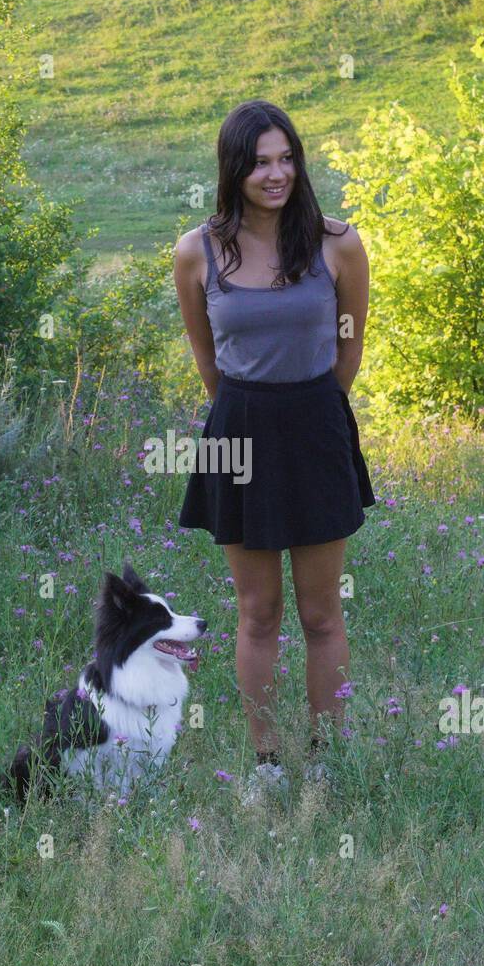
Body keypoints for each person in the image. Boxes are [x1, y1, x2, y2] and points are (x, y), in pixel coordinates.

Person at [173, 99, 376, 799]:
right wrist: (252, 408)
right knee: (258, 613)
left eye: (286, 158)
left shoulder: (337, 242)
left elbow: (349, 349)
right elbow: (208, 361)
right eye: (260, 161)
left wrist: (309, 406)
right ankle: (268, 766)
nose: (276, 173)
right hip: (237, 437)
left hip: (317, 429)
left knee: (322, 613)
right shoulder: (196, 250)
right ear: (234, 168)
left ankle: (325, 758)